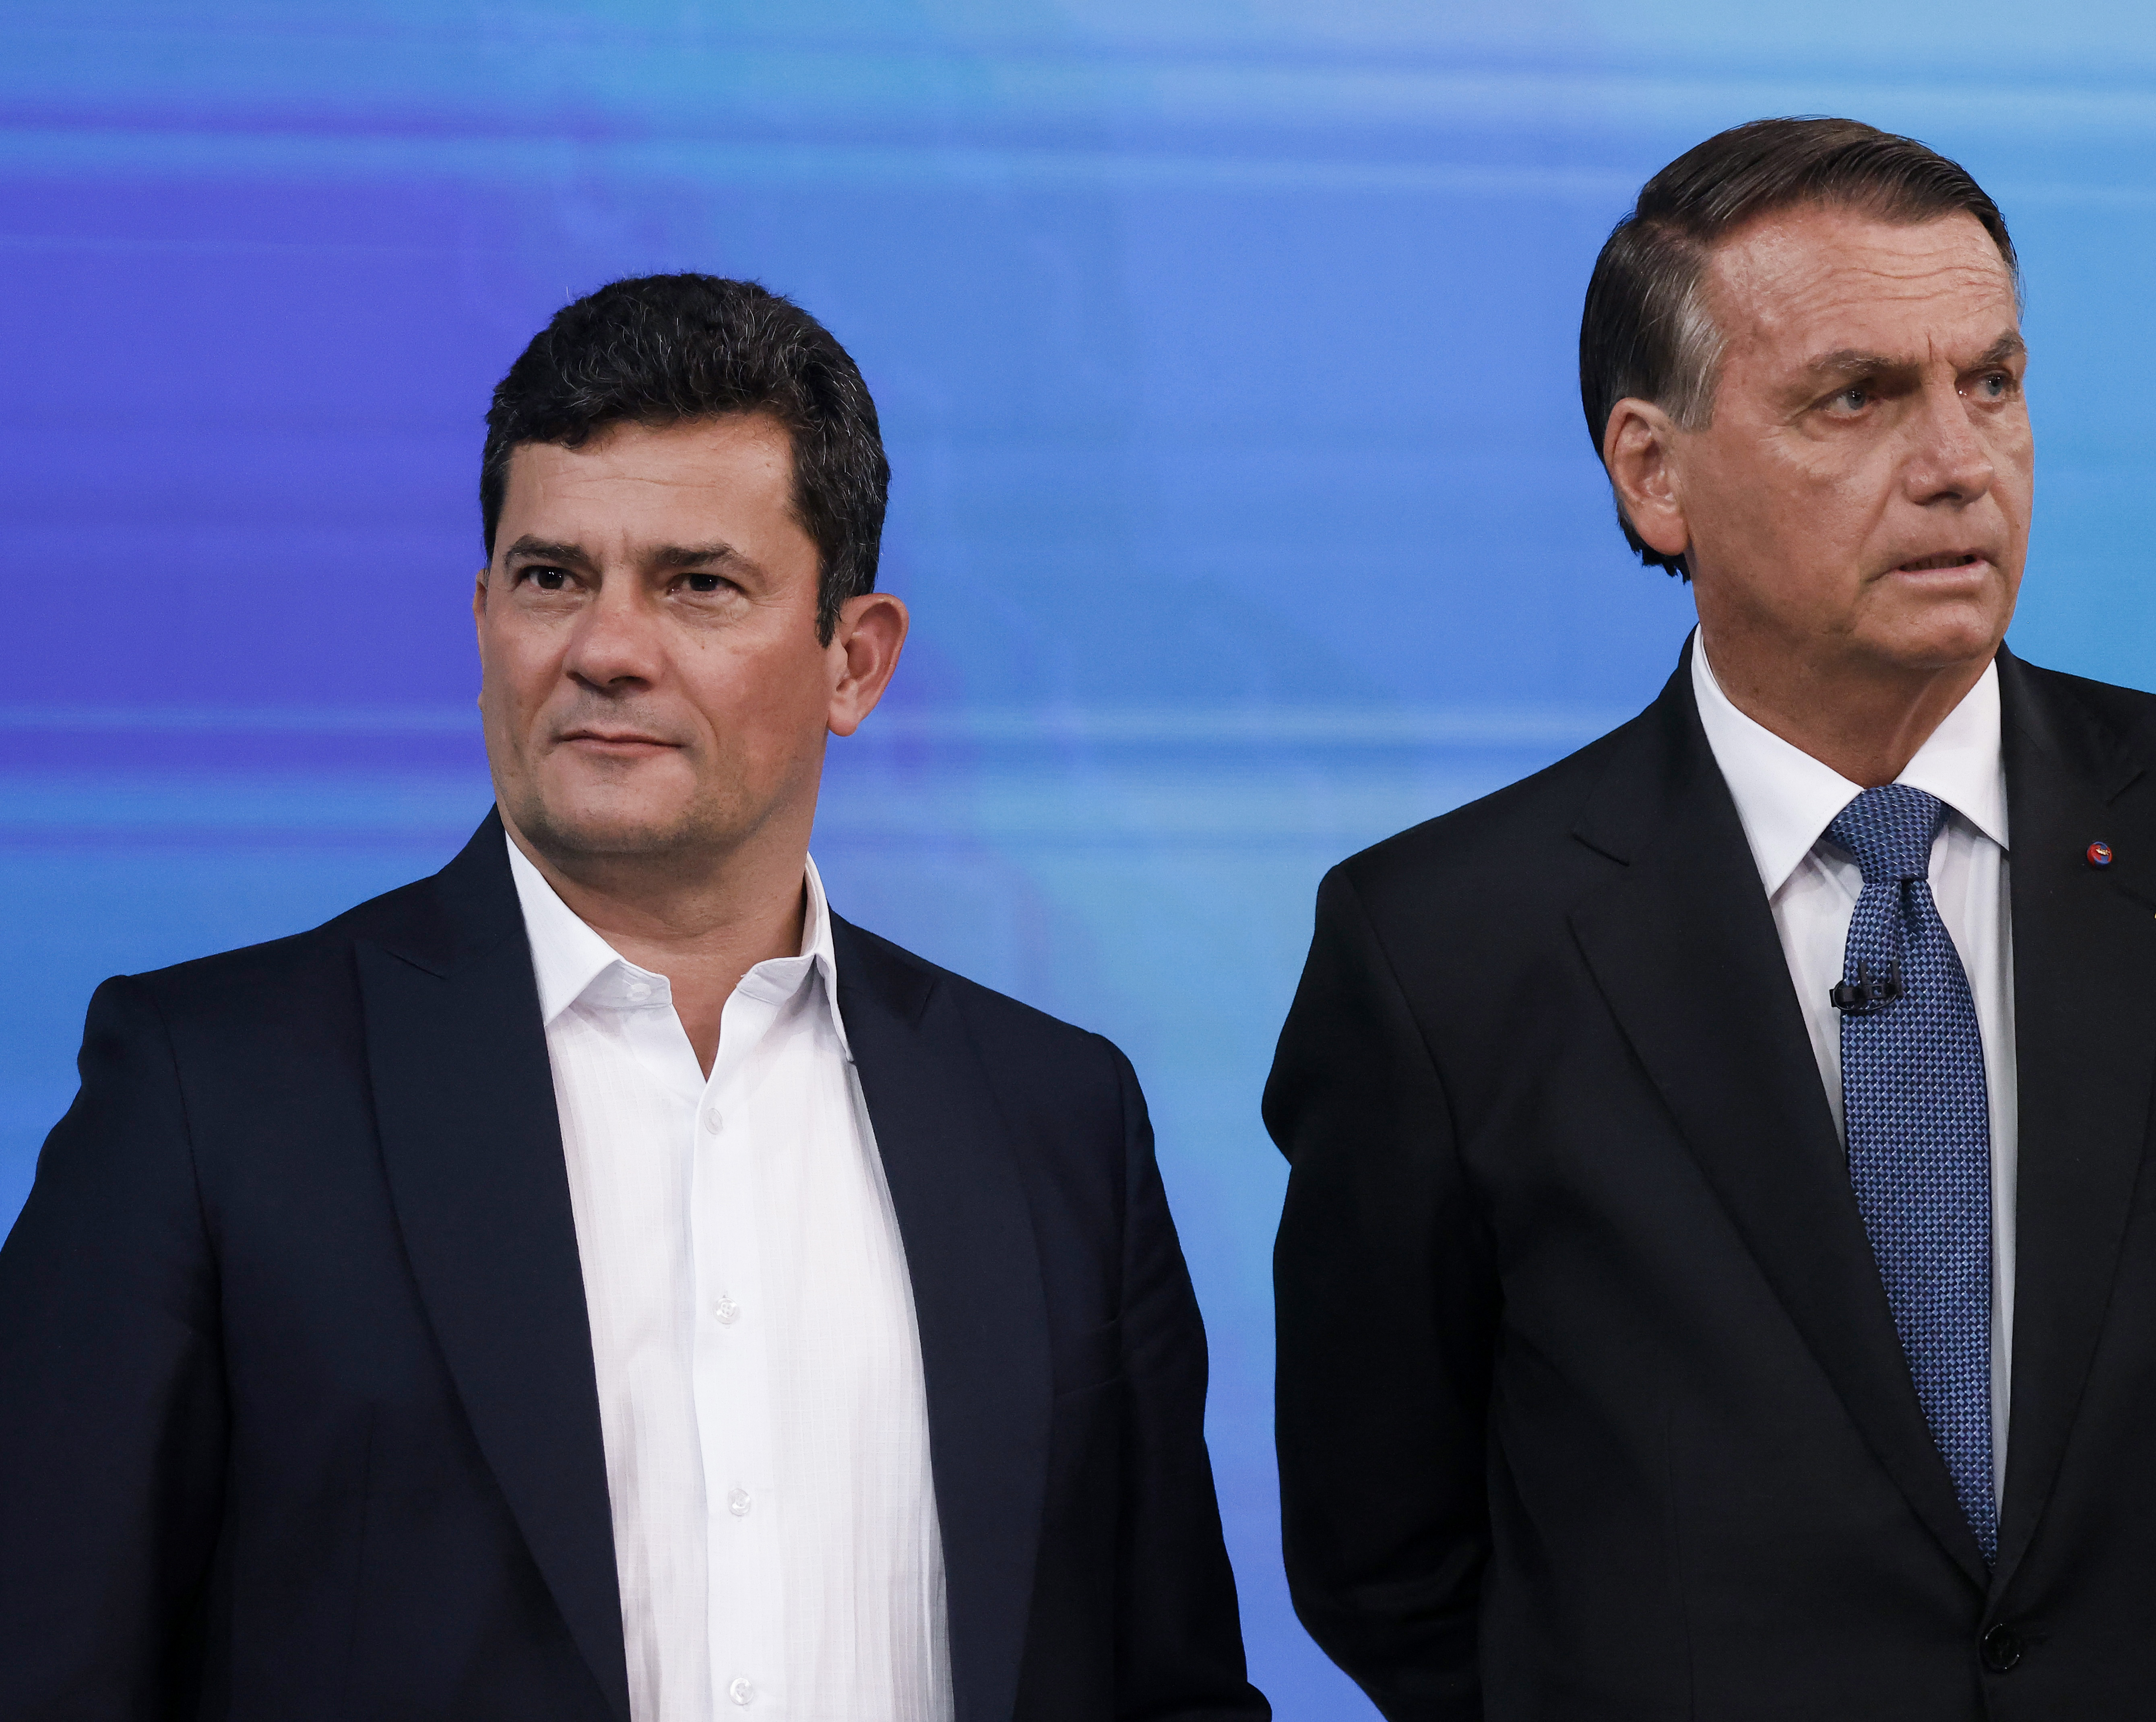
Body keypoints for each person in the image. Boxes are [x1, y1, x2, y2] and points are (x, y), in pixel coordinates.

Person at [1265, 118, 2156, 1719]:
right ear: (1653, 473)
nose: (1956, 463)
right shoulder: (1442, 948)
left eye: (1989, 382)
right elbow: (1383, 1552)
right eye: (1855, 397)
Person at [0, 273, 1268, 1722]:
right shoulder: (207, 1096)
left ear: (855, 662)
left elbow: (1168, 1687)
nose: (605, 649)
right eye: (551, 578)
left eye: (697, 585)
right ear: (484, 615)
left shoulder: (1059, 1122)